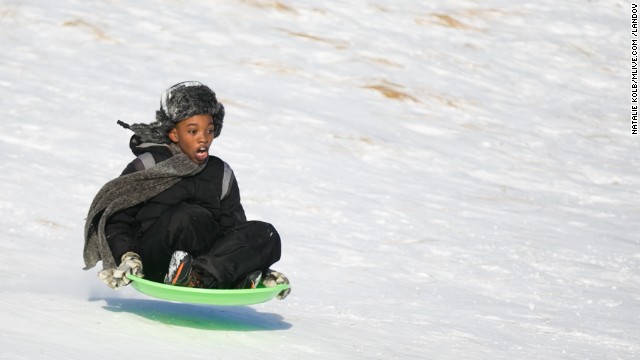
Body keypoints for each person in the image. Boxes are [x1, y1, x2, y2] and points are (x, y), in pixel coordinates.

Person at [83, 81, 290, 299]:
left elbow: (233, 229)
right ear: (174, 134)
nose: (204, 137)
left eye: (209, 130)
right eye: (193, 131)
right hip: (155, 259)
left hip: (205, 262)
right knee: (188, 216)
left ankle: (205, 277)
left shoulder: (221, 173)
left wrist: (252, 258)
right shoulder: (150, 165)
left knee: (266, 234)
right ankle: (211, 275)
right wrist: (127, 256)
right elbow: (117, 219)